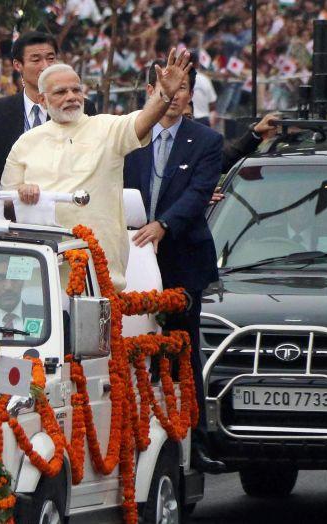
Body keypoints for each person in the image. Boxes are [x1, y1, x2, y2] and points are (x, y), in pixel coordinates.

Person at [1, 48, 192, 291]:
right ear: (42, 100)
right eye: (61, 92)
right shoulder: (25, 143)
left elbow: (143, 121)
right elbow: (4, 204)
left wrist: (164, 95)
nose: (71, 96)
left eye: (76, 90)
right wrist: (21, 193)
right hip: (41, 273)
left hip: (98, 269)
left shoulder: (106, 128)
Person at [123, 59, 224, 473]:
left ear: (190, 95)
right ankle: (135, 430)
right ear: (151, 90)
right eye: (167, 87)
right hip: (131, 258)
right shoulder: (129, 135)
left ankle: (193, 440)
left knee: (183, 348)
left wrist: (163, 224)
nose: (175, 96)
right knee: (133, 347)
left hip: (182, 257)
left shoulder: (206, 140)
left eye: (183, 88)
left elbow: (200, 192)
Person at [0, 31, 97, 181]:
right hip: (14, 199)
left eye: (51, 59)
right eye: (36, 60)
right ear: (18, 65)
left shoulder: (80, 107)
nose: (45, 66)